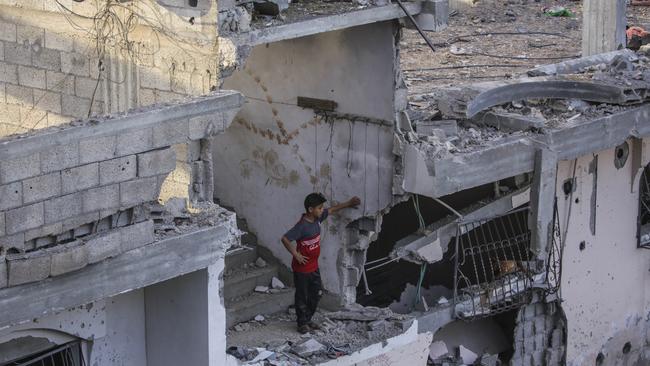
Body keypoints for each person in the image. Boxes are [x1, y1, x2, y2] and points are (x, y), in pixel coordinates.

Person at [281, 192, 361, 334]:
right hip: (302, 270)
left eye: (321, 207)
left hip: (314, 267)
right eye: (319, 208)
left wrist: (349, 203)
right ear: (310, 209)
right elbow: (285, 239)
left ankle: (308, 318)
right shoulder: (302, 226)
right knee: (302, 296)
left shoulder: (317, 219)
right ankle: (302, 324)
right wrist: (296, 254)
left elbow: (331, 210)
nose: (321, 210)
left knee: (317, 294)